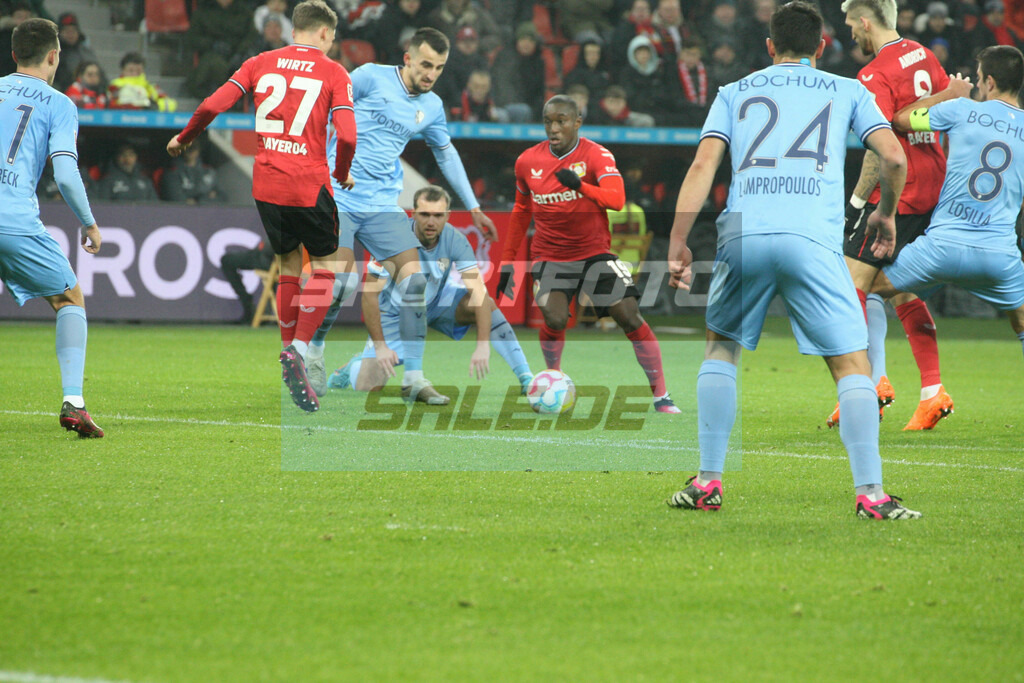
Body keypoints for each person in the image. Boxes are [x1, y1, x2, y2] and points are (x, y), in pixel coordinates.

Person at [666, 1, 921, 519]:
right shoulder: (848, 89)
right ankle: (870, 494)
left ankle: (709, 482)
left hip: (745, 235)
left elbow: (702, 165)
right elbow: (894, 156)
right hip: (813, 238)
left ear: (768, 47)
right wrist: (886, 215)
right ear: (822, 47)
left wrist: (677, 240)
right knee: (852, 364)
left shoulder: (733, 93)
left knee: (721, 349)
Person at [167, 0, 357, 413]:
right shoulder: (334, 71)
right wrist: (342, 172)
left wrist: (185, 137)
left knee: (289, 264)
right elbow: (347, 136)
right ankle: (301, 350)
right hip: (309, 184)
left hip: (267, 184)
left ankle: (288, 346)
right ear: (325, 33)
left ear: (294, 30)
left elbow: (213, 104)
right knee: (327, 267)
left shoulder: (259, 61)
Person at [307, 27, 497, 405]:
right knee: (341, 285)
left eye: (439, 68)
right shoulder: (368, 76)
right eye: (426, 64)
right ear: (408, 58)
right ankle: (314, 349)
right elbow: (322, 108)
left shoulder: (433, 107)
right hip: (339, 194)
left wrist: (473, 205)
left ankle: (413, 377)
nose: (431, 74)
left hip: (382, 202)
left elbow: (446, 154)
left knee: (414, 284)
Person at [831, 0, 971, 431]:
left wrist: (857, 202)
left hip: (901, 192)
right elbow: (949, 110)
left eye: (852, 25)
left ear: (866, 22)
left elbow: (883, 148)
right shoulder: (923, 53)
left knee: (851, 286)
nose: (851, 33)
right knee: (894, 289)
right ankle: (931, 391)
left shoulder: (873, 75)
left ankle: (867, 387)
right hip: (934, 183)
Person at [496, 95, 681, 414]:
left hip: (595, 254)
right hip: (550, 256)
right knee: (554, 317)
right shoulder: (527, 161)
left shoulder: (596, 155)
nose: (554, 128)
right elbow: (521, 210)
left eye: (561, 121)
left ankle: (661, 395)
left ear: (577, 123)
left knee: (628, 315)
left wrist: (580, 186)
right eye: (548, 122)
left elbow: (617, 200)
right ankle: (554, 377)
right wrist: (508, 263)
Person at [878, 46, 1024, 358]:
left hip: (939, 249)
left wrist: (947, 93)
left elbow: (901, 120)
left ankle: (869, 382)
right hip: (997, 257)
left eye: (980, 78)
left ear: (990, 82)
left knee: (866, 290)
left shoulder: (960, 109)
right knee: (1022, 323)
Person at [327, 186, 534, 398]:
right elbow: (370, 294)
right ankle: (351, 367)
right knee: (368, 386)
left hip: (436, 302)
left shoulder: (456, 240)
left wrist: (482, 345)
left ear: (448, 216)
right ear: (413, 213)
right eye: (425, 215)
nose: (431, 222)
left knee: (486, 304)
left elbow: (479, 292)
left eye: (438, 215)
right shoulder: (391, 238)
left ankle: (526, 377)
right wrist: (380, 347)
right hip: (393, 314)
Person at [0, 18, 104, 437]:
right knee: (69, 298)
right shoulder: (60, 104)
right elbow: (64, 173)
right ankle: (74, 403)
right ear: (53, 56)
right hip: (14, 220)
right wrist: (89, 223)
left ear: (13, 55)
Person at [221, 240, 275, 323]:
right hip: (263, 252)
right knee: (227, 260)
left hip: (272, 256)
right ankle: (247, 302)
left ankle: (262, 314)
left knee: (272, 276)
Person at [107, 52, 176, 111]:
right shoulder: (114, 86)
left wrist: (155, 106)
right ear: (123, 70)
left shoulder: (151, 88)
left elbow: (169, 103)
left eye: (138, 71)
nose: (134, 74)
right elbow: (106, 103)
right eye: (131, 70)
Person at [161, 136, 220, 204]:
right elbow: (176, 198)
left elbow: (222, 197)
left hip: (208, 211)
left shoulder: (209, 172)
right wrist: (208, 196)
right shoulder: (172, 172)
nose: (191, 151)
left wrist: (199, 201)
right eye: (188, 147)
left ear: (198, 150)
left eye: (194, 147)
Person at [94, 143, 158, 202]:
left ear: (136, 157)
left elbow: (155, 206)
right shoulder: (107, 181)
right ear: (116, 158)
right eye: (123, 155)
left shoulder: (145, 181)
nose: (127, 159)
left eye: (131, 155)